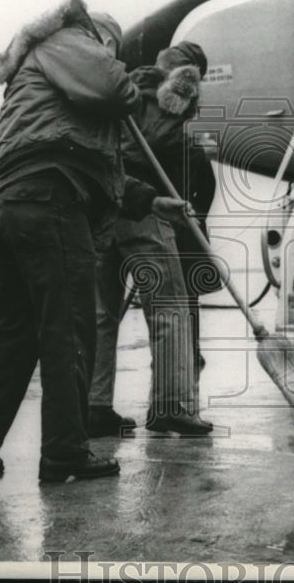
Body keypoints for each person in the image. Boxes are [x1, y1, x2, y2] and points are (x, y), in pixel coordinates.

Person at [0, 0, 190, 483]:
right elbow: (114, 87)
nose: (112, 54)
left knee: (15, 328)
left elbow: (94, 162)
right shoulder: (69, 40)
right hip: (50, 200)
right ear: (99, 37)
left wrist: (149, 201)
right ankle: (65, 451)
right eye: (110, 46)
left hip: (14, 203)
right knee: (69, 324)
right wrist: (130, 85)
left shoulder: (53, 78)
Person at [88, 41, 216, 437]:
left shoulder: (121, 90)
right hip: (144, 209)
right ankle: (171, 407)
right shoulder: (170, 96)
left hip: (103, 207)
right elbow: (154, 148)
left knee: (101, 314)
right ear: (189, 73)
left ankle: (95, 405)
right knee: (169, 308)